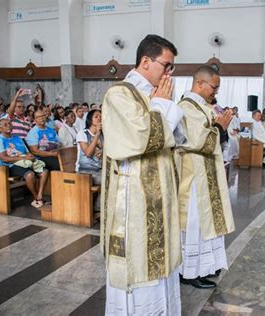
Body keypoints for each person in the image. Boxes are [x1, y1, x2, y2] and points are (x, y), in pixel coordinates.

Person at [101, 34, 182, 315]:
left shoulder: (158, 94)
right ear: (146, 61)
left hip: (159, 196)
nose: (169, 73)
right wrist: (161, 105)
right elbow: (139, 137)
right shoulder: (119, 94)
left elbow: (176, 137)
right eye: (166, 66)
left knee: (160, 264)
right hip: (134, 200)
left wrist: (165, 104)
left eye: (172, 68)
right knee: (139, 262)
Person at [177, 65, 235, 290]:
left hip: (206, 173)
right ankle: (188, 272)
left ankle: (205, 266)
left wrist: (221, 127)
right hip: (194, 179)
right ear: (199, 83)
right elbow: (197, 139)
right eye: (214, 86)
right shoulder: (186, 107)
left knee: (207, 224)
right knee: (195, 224)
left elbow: (215, 136)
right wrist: (219, 128)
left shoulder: (202, 106)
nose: (216, 92)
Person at [0, 119, 49, 208]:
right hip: (9, 166)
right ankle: (36, 198)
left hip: (24, 162)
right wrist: (23, 157)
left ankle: (39, 196)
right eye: (5, 125)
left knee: (44, 171)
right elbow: (4, 158)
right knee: (30, 175)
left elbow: (26, 151)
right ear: (0, 128)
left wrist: (31, 156)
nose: (9, 126)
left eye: (10, 123)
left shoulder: (17, 138)